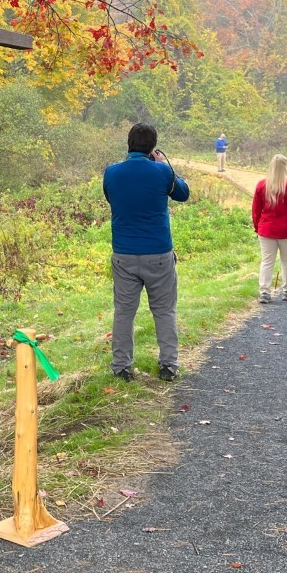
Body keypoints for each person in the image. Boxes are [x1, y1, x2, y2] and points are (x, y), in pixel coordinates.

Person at [103, 123, 191, 381]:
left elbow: (111, 198)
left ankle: (121, 367)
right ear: (153, 147)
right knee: (164, 311)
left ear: (128, 143)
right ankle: (168, 366)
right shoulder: (162, 172)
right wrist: (165, 165)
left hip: (124, 254)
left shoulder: (111, 173)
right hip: (159, 254)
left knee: (124, 312)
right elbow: (183, 194)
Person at [252, 154, 287, 303]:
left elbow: (256, 209)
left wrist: (258, 226)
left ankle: (264, 291)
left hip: (267, 227)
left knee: (267, 260)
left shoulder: (262, 185)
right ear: (285, 167)